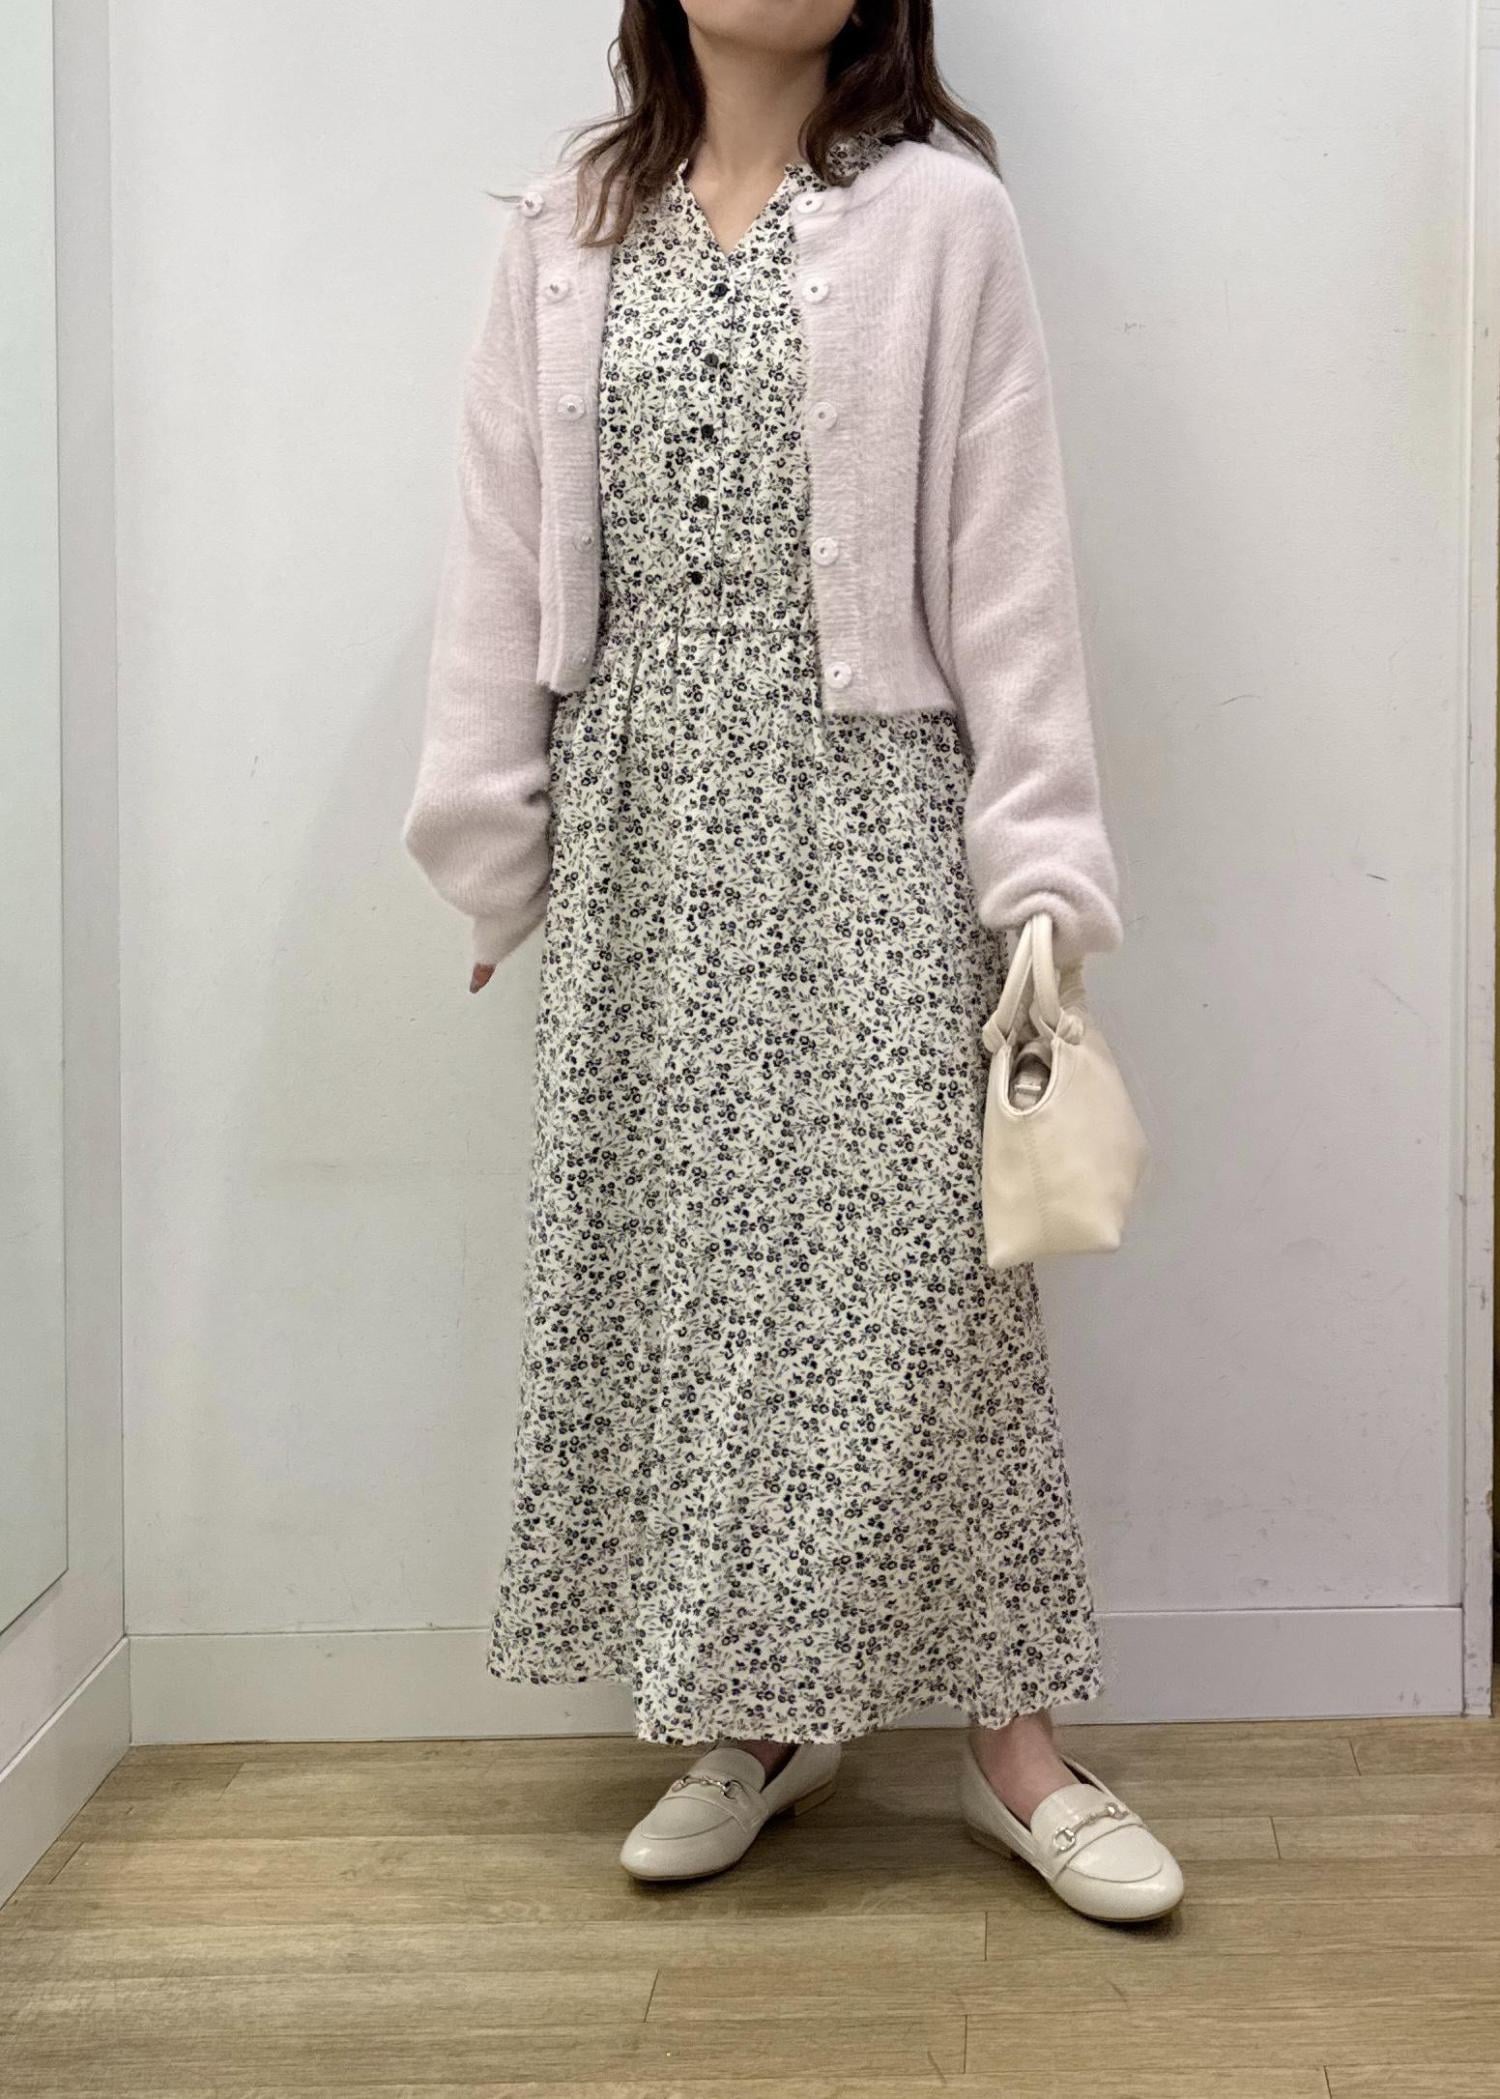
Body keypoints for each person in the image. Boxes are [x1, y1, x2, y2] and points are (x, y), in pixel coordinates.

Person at [402, 0, 1183, 1924]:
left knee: (931, 1287)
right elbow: (501, 550)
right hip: (648, 837)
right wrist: (496, 844)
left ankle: (1016, 1746)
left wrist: (1041, 874)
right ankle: (758, 1716)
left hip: (871, 815)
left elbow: (1011, 568)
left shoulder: (940, 216)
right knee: (695, 1279)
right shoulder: (567, 225)